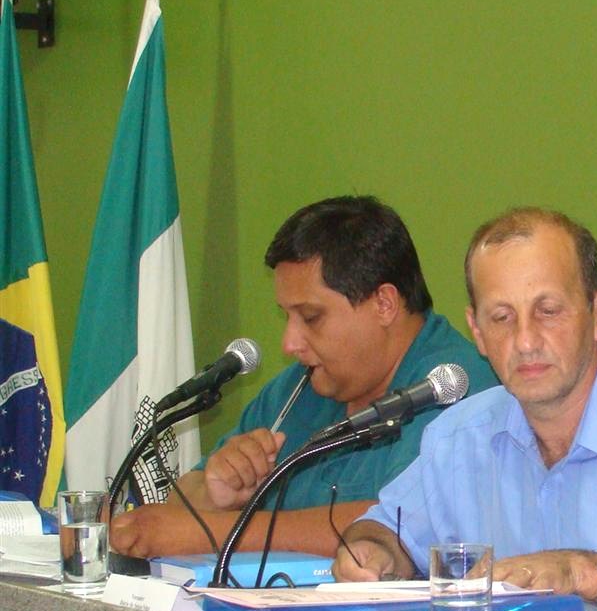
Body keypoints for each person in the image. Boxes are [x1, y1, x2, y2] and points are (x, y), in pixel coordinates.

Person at [334, 207, 597, 611]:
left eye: (548, 311)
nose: (524, 341)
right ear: (477, 333)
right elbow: (386, 529)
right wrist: (371, 552)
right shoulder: (456, 438)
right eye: (502, 317)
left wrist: (580, 572)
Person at [110, 196, 497, 559]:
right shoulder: (300, 388)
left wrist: (214, 533)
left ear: (384, 304)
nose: (289, 343)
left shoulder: (457, 388)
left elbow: (398, 525)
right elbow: (180, 507)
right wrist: (215, 492)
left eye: (311, 317)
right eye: (287, 316)